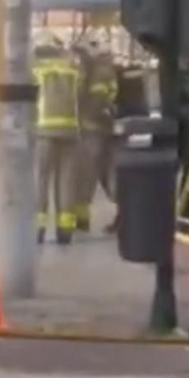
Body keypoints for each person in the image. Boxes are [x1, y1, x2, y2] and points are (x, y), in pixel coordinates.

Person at [33, 37, 81, 244]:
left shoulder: (35, 68)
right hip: (70, 131)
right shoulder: (72, 68)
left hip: (43, 131)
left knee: (40, 180)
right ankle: (65, 230)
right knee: (66, 181)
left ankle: (38, 228)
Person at [72, 38, 119, 233]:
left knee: (87, 175)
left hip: (93, 130)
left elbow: (96, 101)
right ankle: (123, 216)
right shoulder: (103, 70)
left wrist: (84, 115)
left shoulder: (98, 72)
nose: (80, 58)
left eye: (82, 54)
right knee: (105, 174)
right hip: (104, 130)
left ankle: (82, 221)